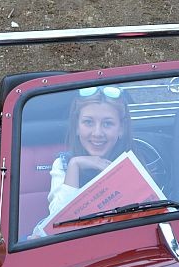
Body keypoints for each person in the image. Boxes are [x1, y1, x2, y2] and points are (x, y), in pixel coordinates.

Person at [31, 86, 133, 237]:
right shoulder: (64, 164)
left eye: (107, 124)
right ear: (77, 127)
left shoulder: (134, 163)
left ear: (121, 129)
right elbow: (57, 223)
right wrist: (75, 165)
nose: (97, 133)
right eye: (88, 122)